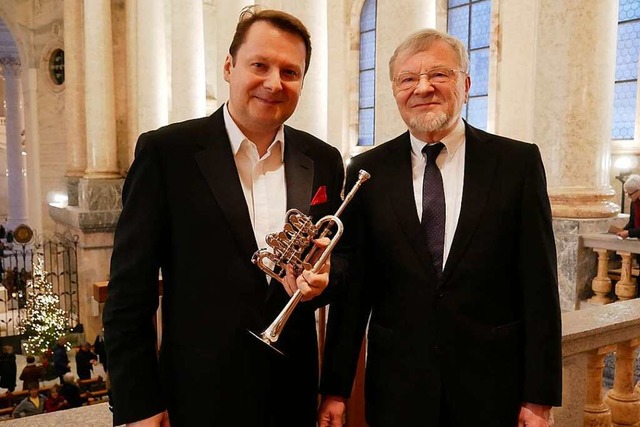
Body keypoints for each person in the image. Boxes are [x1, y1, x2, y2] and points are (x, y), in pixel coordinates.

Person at [103, 6, 346, 427]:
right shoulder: (167, 153)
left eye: (290, 72)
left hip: (292, 391)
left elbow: (340, 265)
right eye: (260, 65)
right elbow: (130, 292)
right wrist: (139, 402)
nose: (274, 82)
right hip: (197, 394)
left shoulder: (322, 159)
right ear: (229, 67)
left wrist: (324, 279)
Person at [318, 28, 562, 427]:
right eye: (408, 79)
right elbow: (355, 292)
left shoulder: (516, 164)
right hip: (398, 389)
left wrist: (539, 397)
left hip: (491, 389)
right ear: (395, 90)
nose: (423, 87)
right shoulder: (368, 171)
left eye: (439, 75)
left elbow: (538, 286)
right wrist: (336, 389)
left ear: (466, 84)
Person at [617, 174, 640, 240]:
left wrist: (629, 233)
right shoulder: (634, 202)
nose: (628, 197)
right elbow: (632, 222)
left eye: (630, 194)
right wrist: (623, 230)